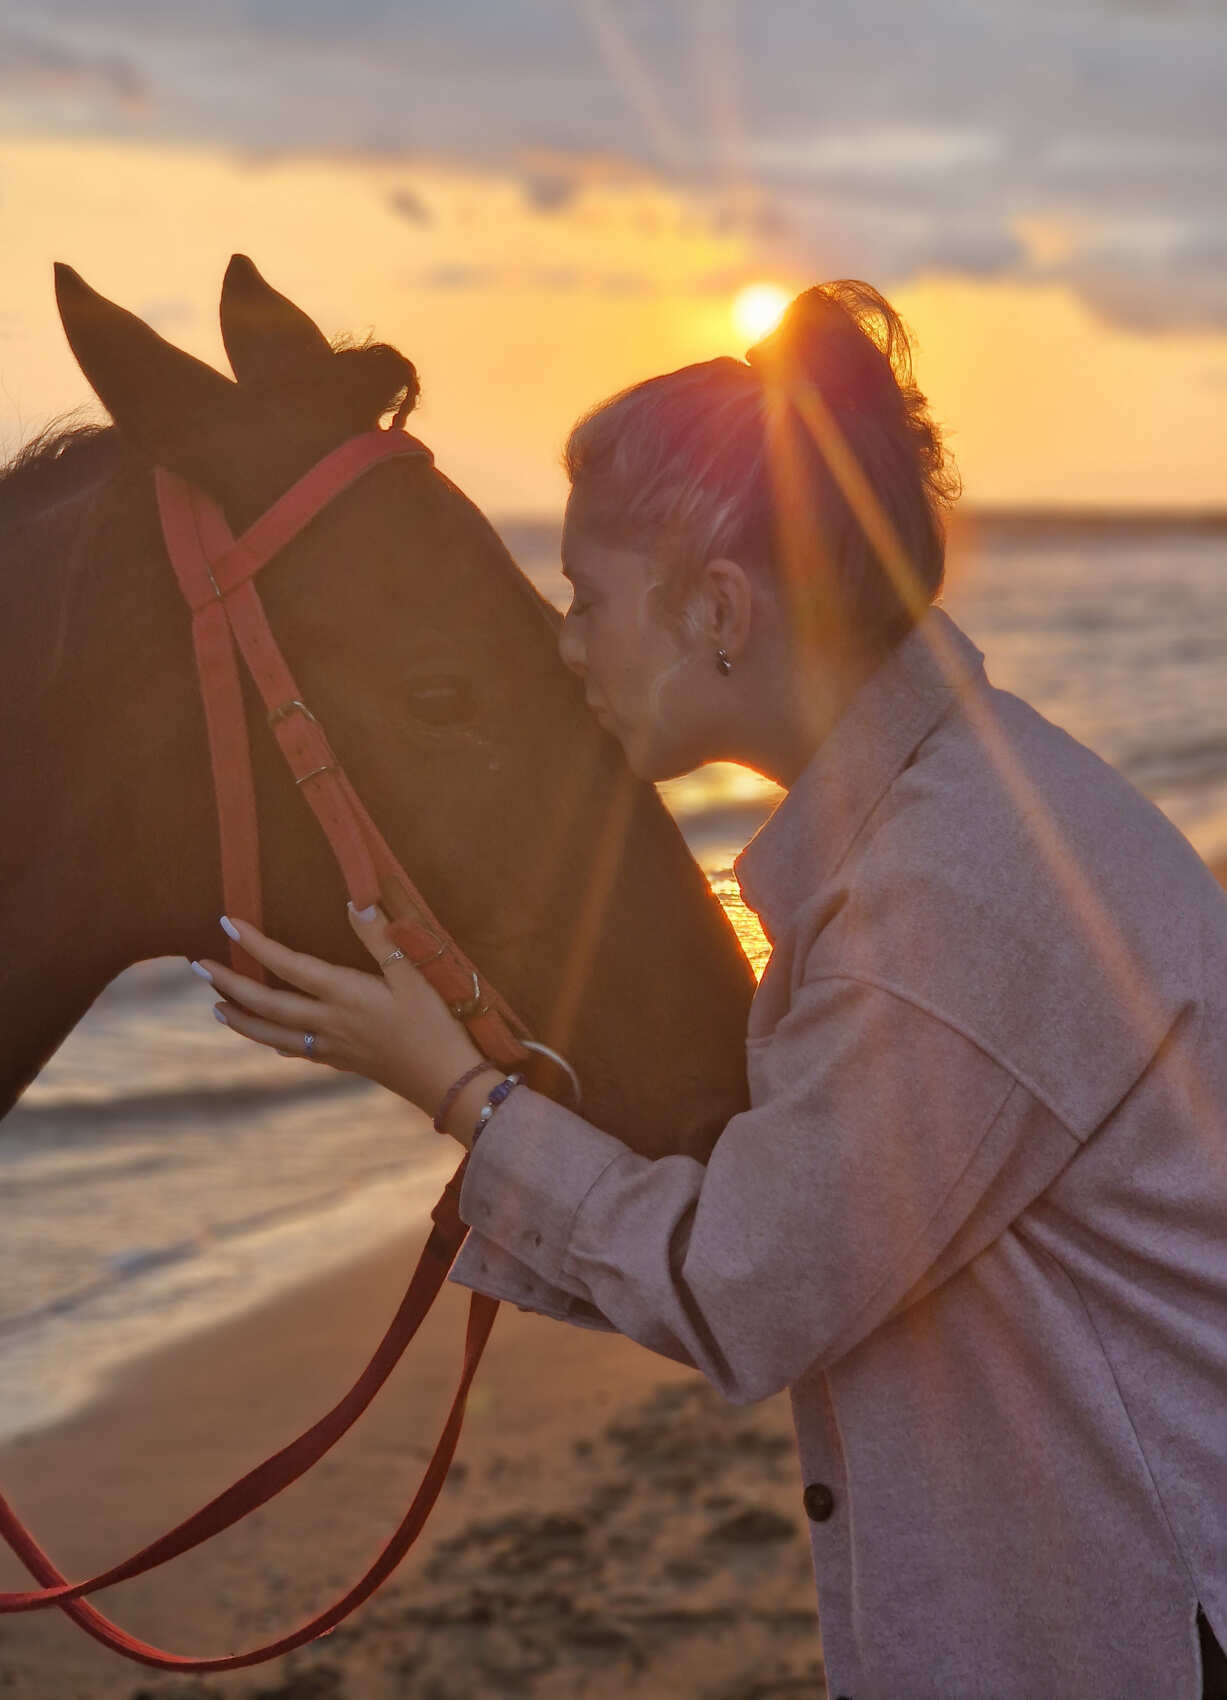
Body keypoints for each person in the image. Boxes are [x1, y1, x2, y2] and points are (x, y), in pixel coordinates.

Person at [194, 281, 1227, 1700]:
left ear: (721, 611)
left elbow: (744, 1284)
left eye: (585, 600)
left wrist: (450, 1087)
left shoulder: (952, 885)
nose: (564, 650)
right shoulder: (954, 814)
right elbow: (790, 1230)